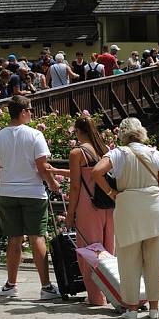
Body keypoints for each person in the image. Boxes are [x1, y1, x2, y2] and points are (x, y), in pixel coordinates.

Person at [92, 117, 159, 319]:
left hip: (128, 207)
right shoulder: (155, 153)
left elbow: (97, 172)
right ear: (141, 132)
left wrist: (111, 192)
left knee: (128, 259)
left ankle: (131, 308)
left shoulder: (118, 153)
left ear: (122, 133)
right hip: (155, 208)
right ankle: (154, 308)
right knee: (156, 259)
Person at [0, 95, 60, 299]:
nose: (31, 113)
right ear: (22, 112)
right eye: (30, 110)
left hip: (7, 193)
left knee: (14, 238)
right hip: (32, 192)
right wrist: (52, 183)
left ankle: (11, 284)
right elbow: (42, 166)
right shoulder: (35, 135)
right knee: (38, 236)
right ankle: (46, 287)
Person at [52, 116, 115, 306]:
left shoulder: (77, 153)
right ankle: (113, 291)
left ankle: (96, 297)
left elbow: (76, 186)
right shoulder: (104, 150)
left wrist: (70, 214)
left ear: (78, 131)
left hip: (88, 206)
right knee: (108, 250)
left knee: (89, 251)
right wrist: (56, 170)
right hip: (108, 205)